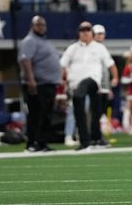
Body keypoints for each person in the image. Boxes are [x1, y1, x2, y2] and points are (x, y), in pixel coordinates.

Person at [60, 22, 115, 150]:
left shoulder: (99, 48)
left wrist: (115, 78)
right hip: (75, 85)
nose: (85, 32)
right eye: (82, 30)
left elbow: (110, 64)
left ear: (91, 32)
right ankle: (88, 140)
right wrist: (62, 80)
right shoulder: (72, 48)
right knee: (87, 111)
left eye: (87, 30)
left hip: (93, 82)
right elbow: (63, 65)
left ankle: (92, 138)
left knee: (87, 102)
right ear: (79, 32)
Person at [18, 16, 61, 152]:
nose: (41, 27)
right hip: (38, 84)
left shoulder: (43, 41)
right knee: (36, 114)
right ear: (32, 26)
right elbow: (25, 61)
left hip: (49, 84)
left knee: (46, 115)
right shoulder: (29, 41)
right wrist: (31, 81)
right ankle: (31, 143)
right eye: (38, 25)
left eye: (43, 25)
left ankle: (42, 142)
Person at [93, 24, 119, 142]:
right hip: (93, 86)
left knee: (100, 113)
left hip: (103, 87)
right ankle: (92, 136)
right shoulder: (91, 48)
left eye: (101, 34)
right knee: (93, 113)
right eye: (97, 34)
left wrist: (109, 87)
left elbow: (109, 67)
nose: (99, 36)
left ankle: (97, 136)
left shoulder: (102, 49)